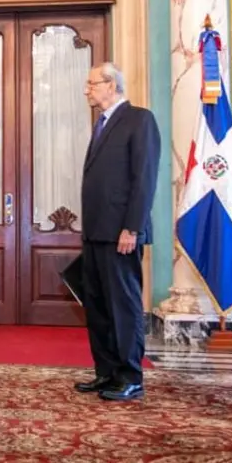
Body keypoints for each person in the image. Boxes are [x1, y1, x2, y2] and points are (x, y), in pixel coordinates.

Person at [76, 62, 160, 402]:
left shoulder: (139, 119)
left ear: (111, 85)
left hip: (121, 232)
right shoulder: (101, 123)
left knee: (123, 306)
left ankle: (130, 376)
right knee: (97, 306)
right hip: (96, 231)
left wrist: (132, 227)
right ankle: (106, 372)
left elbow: (144, 178)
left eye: (93, 84)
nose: (87, 90)